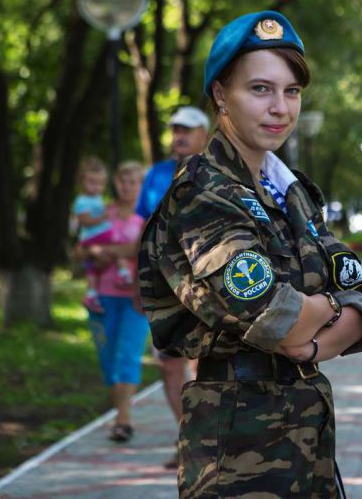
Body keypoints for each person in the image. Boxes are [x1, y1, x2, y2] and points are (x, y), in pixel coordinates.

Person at [138, 10, 362, 497]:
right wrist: (329, 311)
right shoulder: (203, 192)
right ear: (221, 94)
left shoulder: (292, 192)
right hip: (237, 441)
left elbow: (359, 289)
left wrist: (314, 342)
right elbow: (277, 320)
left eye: (292, 91)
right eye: (260, 89)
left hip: (306, 430)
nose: (280, 108)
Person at [136, 105, 209, 469]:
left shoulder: (214, 172)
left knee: (203, 364)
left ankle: (208, 440)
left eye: (187, 130)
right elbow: (141, 229)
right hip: (162, 288)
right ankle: (187, 438)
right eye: (176, 130)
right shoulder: (156, 174)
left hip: (205, 288)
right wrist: (138, 284)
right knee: (168, 365)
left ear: (205, 135)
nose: (179, 136)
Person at [78, 161, 149, 443]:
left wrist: (105, 249)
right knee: (108, 360)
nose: (127, 187)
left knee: (127, 356)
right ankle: (120, 410)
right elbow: (80, 251)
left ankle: (123, 420)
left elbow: (140, 248)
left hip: (135, 299)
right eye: (122, 181)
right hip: (101, 298)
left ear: (142, 186)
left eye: (133, 181)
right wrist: (94, 253)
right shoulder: (101, 213)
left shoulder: (147, 216)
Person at [73, 156, 132, 313]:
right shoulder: (82, 201)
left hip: (132, 299)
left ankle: (91, 295)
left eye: (99, 184)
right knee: (117, 241)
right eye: (91, 182)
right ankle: (123, 272)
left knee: (91, 267)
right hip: (95, 236)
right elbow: (85, 222)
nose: (96, 187)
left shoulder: (98, 199)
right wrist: (104, 217)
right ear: (82, 182)